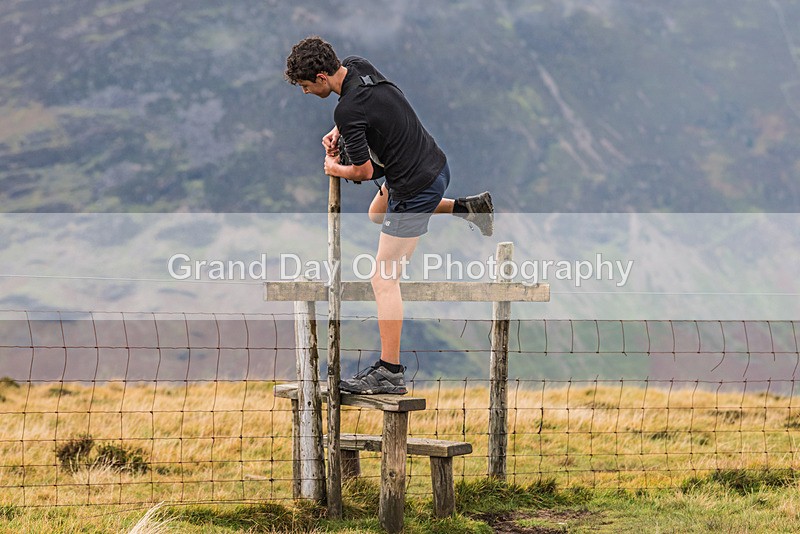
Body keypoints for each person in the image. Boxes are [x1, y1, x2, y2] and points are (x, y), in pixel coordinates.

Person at [285, 36, 493, 395]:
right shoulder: (357, 66)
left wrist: (334, 167)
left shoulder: (347, 109)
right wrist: (338, 133)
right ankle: (467, 208)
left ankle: (389, 371)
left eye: (305, 86)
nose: (304, 93)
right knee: (376, 214)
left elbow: (364, 172)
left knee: (383, 279)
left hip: (415, 187)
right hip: (434, 165)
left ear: (321, 77)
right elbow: (362, 112)